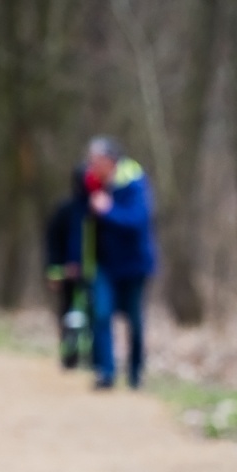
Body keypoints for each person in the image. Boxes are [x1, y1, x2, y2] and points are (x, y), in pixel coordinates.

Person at [68, 137, 154, 389]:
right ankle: (106, 372)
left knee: (134, 321)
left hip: (134, 264)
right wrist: (75, 259)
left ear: (110, 161)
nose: (91, 166)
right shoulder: (90, 186)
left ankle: (135, 373)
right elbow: (79, 225)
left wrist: (108, 210)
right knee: (102, 313)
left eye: (96, 161)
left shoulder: (134, 182)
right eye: (90, 161)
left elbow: (137, 220)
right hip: (103, 264)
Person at [46, 167, 92, 370]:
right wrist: (55, 270)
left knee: (92, 313)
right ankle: (68, 354)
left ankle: (91, 355)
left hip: (93, 272)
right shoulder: (65, 210)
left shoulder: (98, 209)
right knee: (67, 313)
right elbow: (53, 242)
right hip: (66, 271)